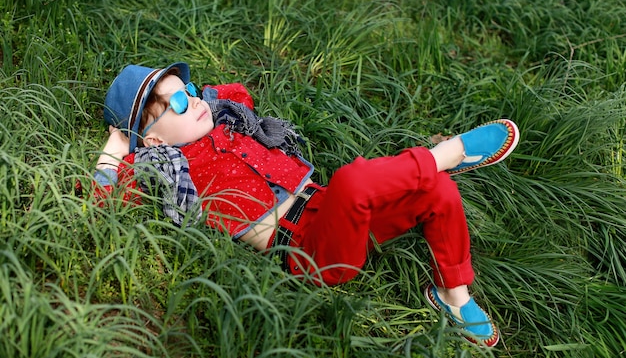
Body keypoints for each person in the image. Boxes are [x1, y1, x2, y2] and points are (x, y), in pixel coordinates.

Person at [94, 62, 519, 348]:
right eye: (180, 102)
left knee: (438, 191)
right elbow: (102, 202)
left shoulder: (225, 121)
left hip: (330, 210)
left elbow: (238, 94)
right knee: (354, 179)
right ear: (153, 139)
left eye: (188, 88)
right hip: (307, 250)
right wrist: (115, 148)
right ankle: (450, 153)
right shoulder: (165, 164)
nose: (196, 99)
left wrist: (197, 99)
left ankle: (452, 295)